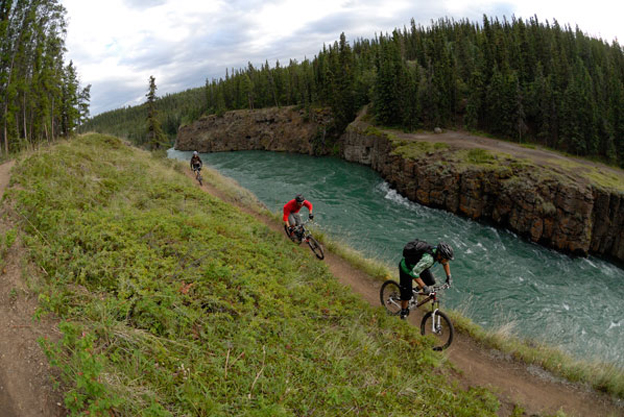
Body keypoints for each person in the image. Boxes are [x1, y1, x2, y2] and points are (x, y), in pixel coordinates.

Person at [399, 241, 454, 319]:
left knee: (430, 281)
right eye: (446, 258)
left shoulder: (437, 252)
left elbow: (445, 263)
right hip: (407, 268)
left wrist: (449, 277)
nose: (447, 261)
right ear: (440, 255)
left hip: (419, 266)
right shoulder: (428, 259)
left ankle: (415, 290)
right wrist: (424, 287)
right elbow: (414, 274)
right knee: (406, 295)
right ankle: (403, 311)